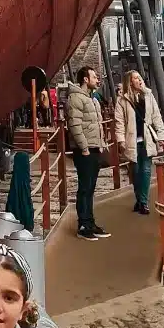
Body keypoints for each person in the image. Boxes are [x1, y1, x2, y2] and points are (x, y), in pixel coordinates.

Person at [113, 69, 164, 218]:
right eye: (135, 78)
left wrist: (161, 135)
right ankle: (139, 199)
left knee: (146, 170)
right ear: (130, 82)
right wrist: (121, 139)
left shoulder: (148, 95)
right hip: (132, 139)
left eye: (140, 77)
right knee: (135, 171)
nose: (139, 80)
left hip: (147, 138)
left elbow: (156, 116)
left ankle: (143, 202)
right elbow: (120, 121)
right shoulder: (123, 100)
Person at [65, 67, 109, 240]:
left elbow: (97, 124)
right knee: (84, 187)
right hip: (84, 150)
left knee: (90, 188)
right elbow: (75, 125)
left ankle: (90, 222)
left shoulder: (93, 99)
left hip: (93, 147)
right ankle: (83, 225)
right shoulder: (75, 98)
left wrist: (101, 143)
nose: (97, 79)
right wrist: (83, 147)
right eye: (94, 76)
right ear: (85, 79)